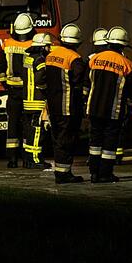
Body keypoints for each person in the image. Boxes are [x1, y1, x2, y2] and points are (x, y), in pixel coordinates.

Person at [86, 26, 132, 184]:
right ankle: (105, 174)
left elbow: (87, 83)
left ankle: (94, 173)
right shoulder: (127, 65)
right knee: (109, 143)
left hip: (94, 108)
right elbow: (131, 93)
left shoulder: (94, 60)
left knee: (95, 142)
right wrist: (130, 110)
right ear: (123, 46)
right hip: (114, 111)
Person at [39, 23, 88, 184]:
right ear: (77, 42)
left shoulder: (50, 56)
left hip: (52, 106)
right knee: (67, 140)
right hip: (68, 107)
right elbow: (79, 83)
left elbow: (43, 80)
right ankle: (64, 174)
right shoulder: (75, 59)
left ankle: (61, 172)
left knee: (57, 140)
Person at [0, 13, 36, 168]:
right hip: (29, 91)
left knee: (12, 124)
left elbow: (1, 68)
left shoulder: (6, 44)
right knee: (28, 124)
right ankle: (27, 159)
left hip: (13, 91)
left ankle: (12, 159)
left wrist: (6, 85)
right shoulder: (34, 44)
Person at [21, 33, 52, 169]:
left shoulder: (28, 58)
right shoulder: (40, 60)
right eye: (48, 46)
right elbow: (40, 80)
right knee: (37, 131)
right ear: (42, 47)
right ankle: (35, 159)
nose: (49, 49)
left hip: (27, 100)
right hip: (37, 100)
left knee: (29, 131)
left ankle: (27, 159)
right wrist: (48, 87)